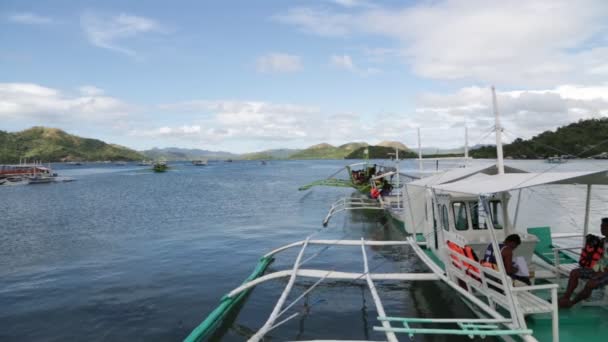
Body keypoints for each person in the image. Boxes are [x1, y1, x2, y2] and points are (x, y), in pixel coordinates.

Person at [558, 218, 608, 308]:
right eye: (601, 226)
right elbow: (600, 258)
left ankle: (572, 303)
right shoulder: (603, 241)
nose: (602, 229)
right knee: (574, 272)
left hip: (605, 272)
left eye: (605, 227)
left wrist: (600, 274)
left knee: (590, 283)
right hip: (599, 269)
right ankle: (566, 298)